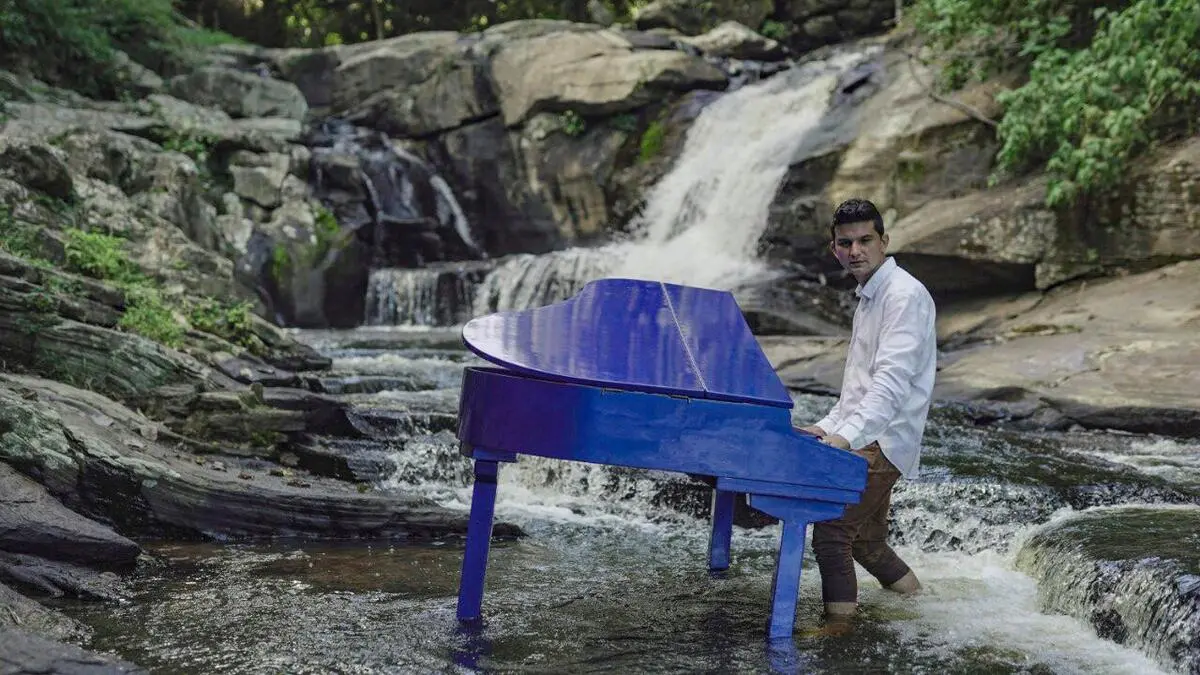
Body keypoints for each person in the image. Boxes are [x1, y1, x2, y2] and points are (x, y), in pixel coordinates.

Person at [798, 197, 937, 630]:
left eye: (865, 240)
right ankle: (924, 605)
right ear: (834, 248)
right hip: (871, 432)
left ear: (884, 241)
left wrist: (843, 440)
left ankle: (838, 630)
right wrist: (823, 428)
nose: (855, 250)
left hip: (884, 438)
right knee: (867, 543)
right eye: (846, 243)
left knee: (832, 532)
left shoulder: (903, 295)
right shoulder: (871, 295)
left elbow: (889, 388)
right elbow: (857, 389)